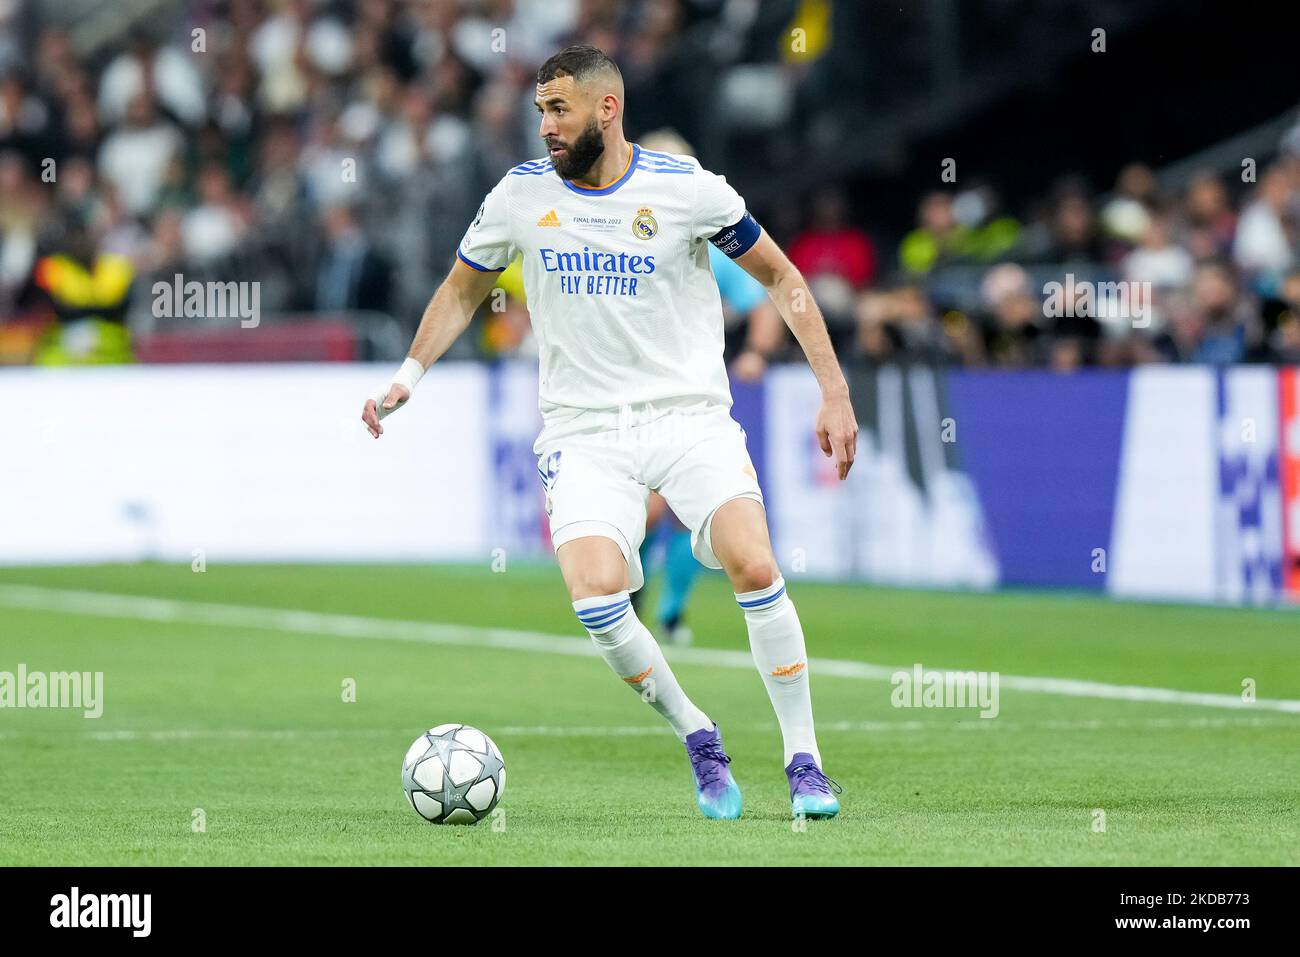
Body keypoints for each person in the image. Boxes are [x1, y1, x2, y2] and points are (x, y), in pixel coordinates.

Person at [361, 45, 857, 821]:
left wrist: (832, 389)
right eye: (540, 112)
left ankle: (805, 759)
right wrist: (408, 375)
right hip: (584, 431)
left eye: (559, 110)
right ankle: (698, 733)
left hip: (688, 416)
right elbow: (462, 291)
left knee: (756, 565)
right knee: (594, 594)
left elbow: (782, 279)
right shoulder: (520, 196)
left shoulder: (687, 190)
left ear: (607, 109)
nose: (546, 127)